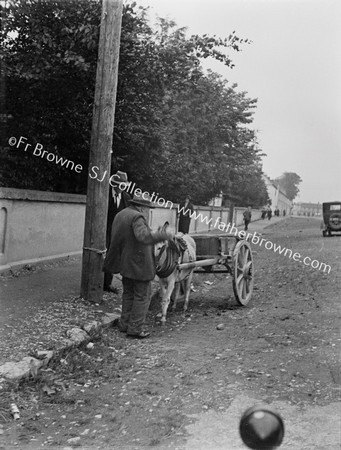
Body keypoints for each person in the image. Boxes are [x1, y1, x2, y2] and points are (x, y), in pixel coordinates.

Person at [103, 194, 173, 339]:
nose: (148, 212)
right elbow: (143, 237)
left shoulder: (121, 214)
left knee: (128, 294)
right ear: (142, 207)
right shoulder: (137, 217)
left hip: (125, 262)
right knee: (142, 296)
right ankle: (135, 328)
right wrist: (162, 235)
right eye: (148, 209)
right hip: (139, 264)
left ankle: (124, 324)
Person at [104, 171, 131, 292]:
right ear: (114, 184)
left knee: (115, 257)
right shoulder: (105, 195)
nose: (121, 188)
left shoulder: (126, 198)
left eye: (123, 186)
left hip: (119, 233)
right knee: (104, 255)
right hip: (105, 231)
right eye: (119, 185)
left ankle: (107, 283)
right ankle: (100, 282)